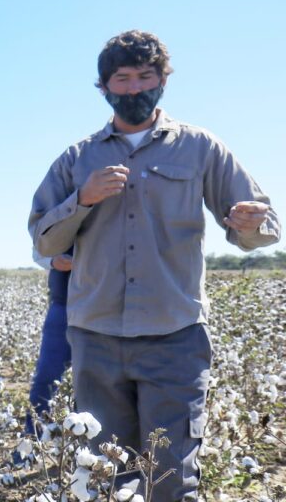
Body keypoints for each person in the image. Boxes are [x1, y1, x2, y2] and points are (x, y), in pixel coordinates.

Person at [28, 30, 280, 500]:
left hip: (175, 339)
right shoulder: (78, 158)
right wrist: (81, 199)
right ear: (103, 87)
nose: (134, 88)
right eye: (122, 78)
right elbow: (43, 239)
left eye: (146, 76)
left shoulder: (201, 148)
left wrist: (248, 222)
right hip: (96, 340)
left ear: (164, 80)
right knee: (103, 476)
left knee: (169, 479)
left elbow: (262, 228)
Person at [25, 247, 72, 435]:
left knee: (98, 382)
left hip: (102, 308)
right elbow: (40, 248)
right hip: (62, 303)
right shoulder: (56, 216)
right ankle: (32, 443)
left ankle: (90, 449)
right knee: (46, 377)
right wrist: (53, 261)